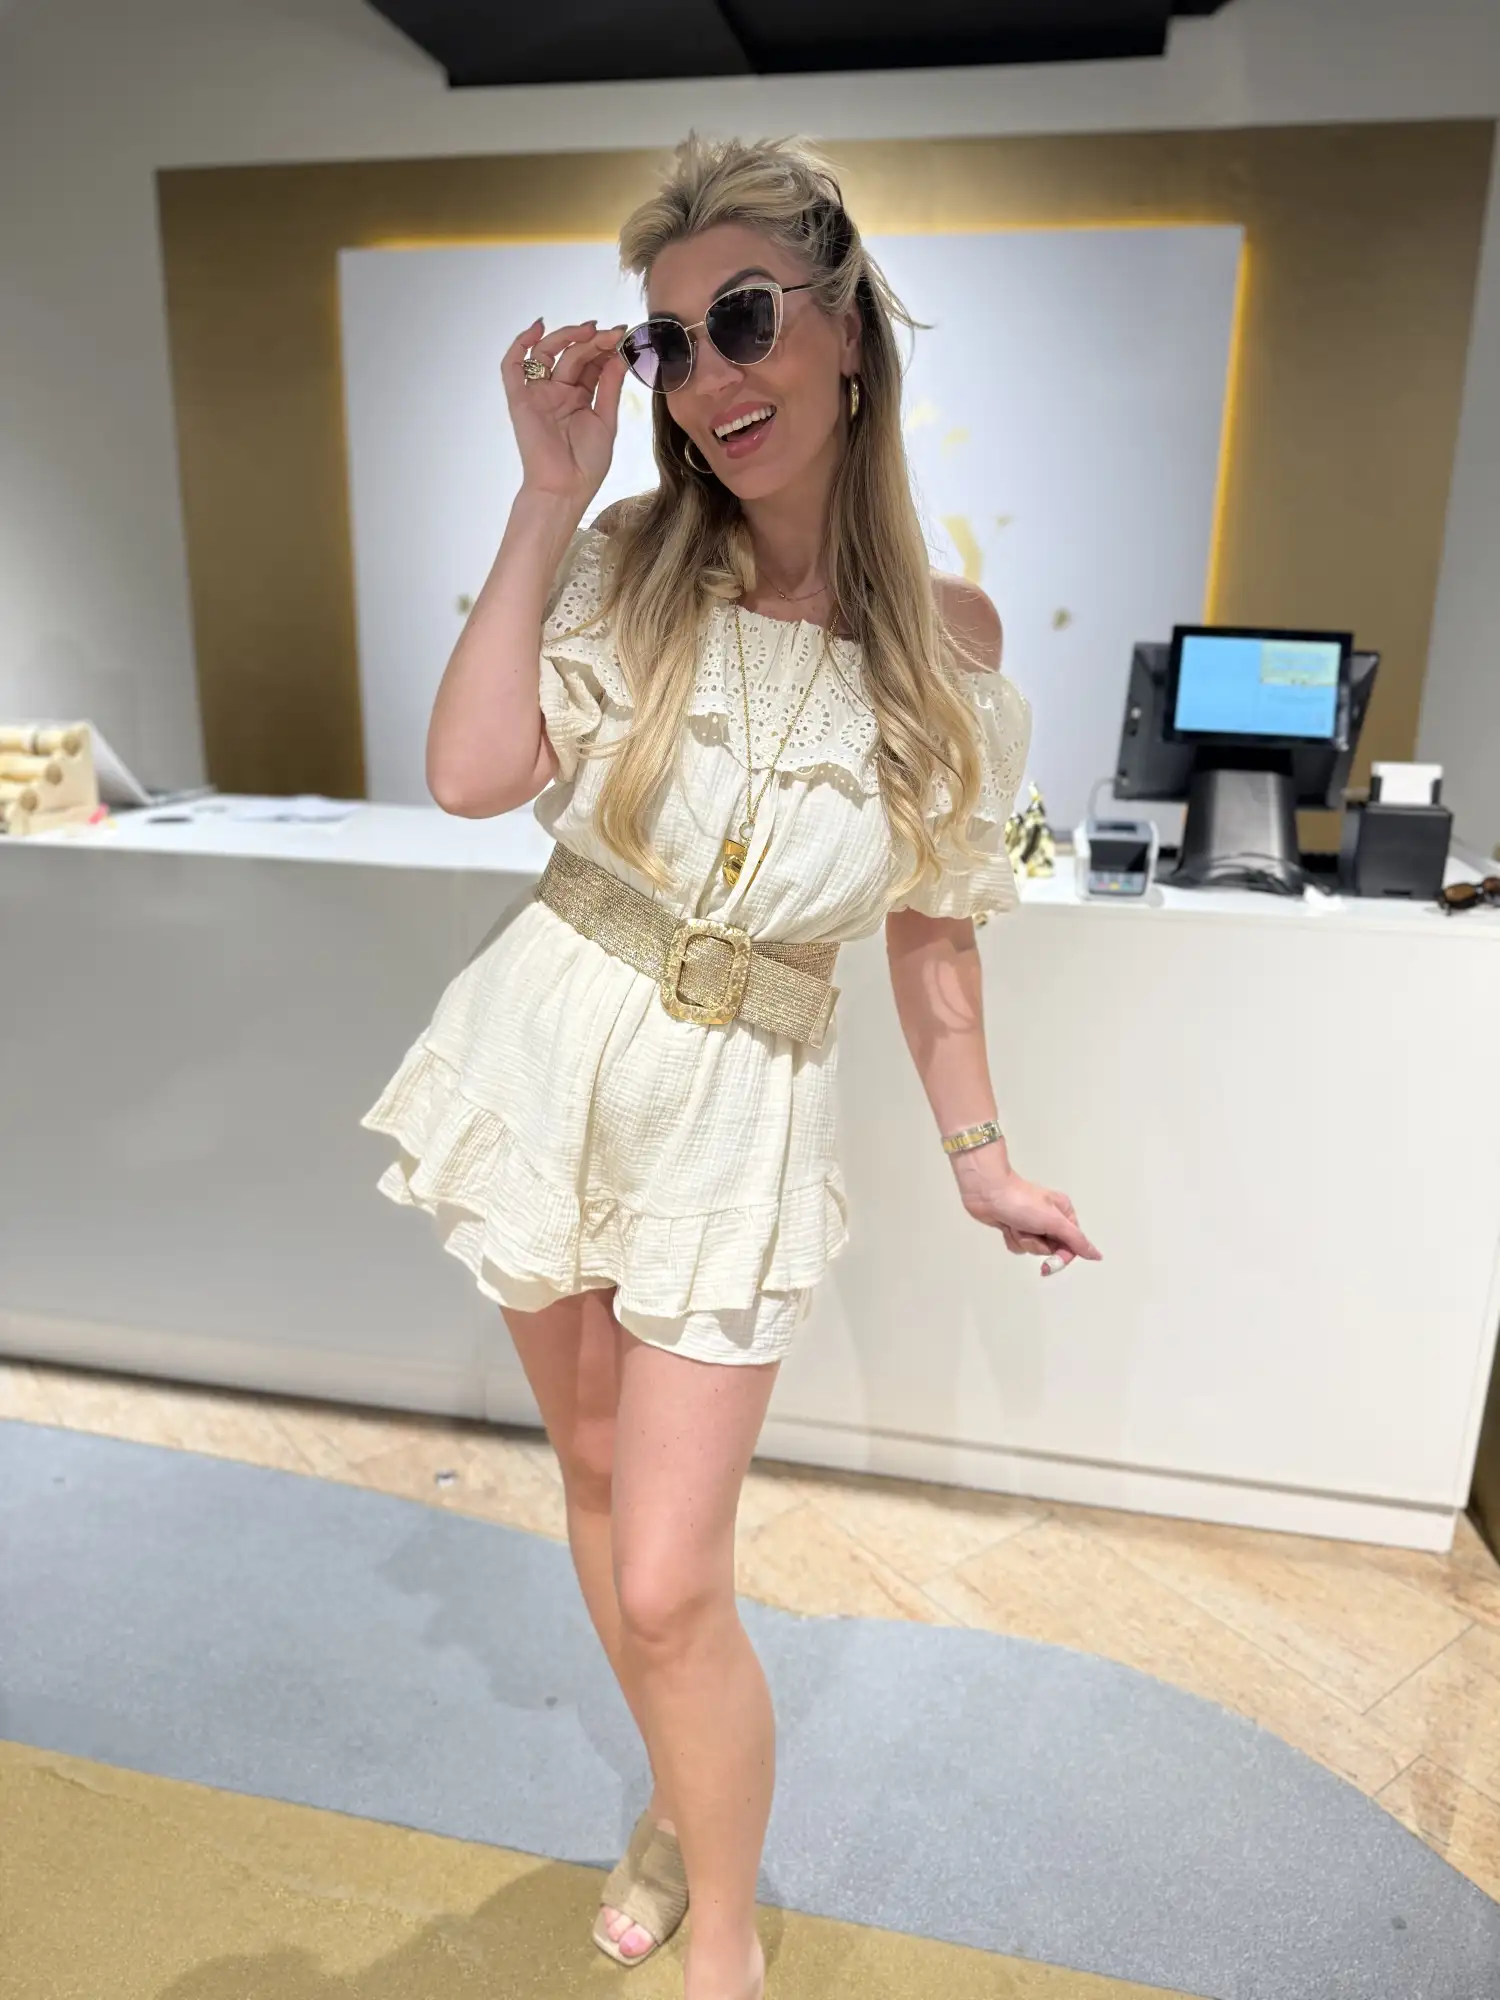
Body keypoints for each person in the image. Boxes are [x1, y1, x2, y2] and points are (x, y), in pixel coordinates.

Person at [362, 132, 1101, 2000]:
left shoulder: (952, 648)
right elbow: (469, 775)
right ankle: (683, 1812)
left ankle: (727, 1929)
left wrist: (984, 1158)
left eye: (747, 319)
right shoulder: (626, 565)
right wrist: (547, 492)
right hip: (555, 1040)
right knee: (601, 1485)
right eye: (671, 343)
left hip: (738, 1105)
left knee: (671, 1572)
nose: (709, 377)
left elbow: (933, 930)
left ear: (848, 328)